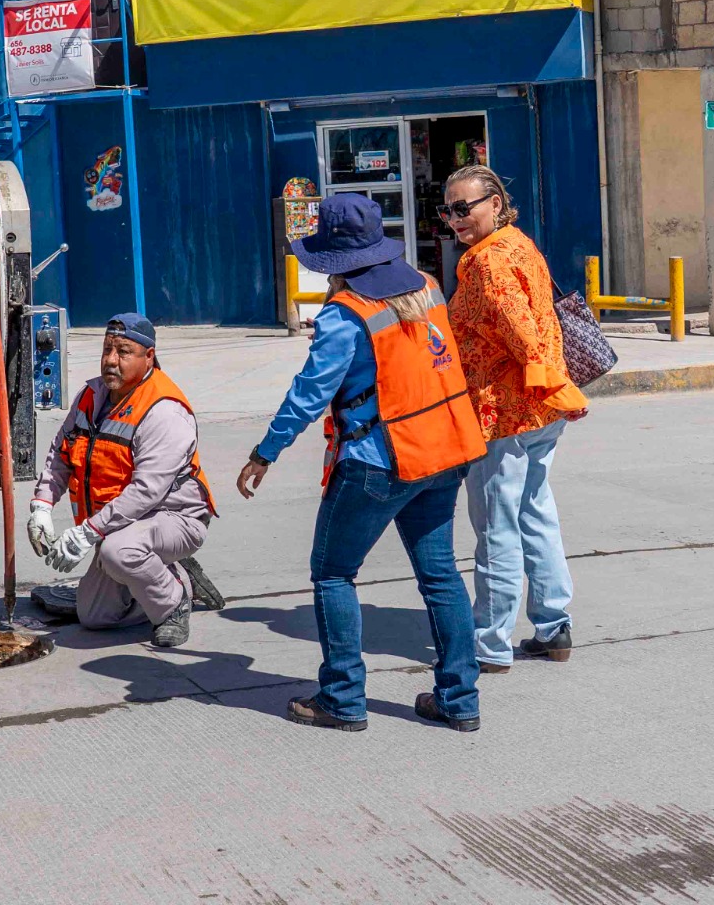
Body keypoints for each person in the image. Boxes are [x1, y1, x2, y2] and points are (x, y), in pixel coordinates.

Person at [236, 194, 486, 733]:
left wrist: (265, 453)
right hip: (443, 451)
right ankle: (460, 699)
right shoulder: (427, 286)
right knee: (440, 576)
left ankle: (343, 698)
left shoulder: (346, 314)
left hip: (378, 462)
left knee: (333, 573)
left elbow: (309, 394)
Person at [441, 165, 588, 673]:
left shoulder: (487, 260)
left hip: (503, 412)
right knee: (535, 512)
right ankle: (553, 626)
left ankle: (490, 641)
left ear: (496, 203)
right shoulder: (519, 244)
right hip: (538, 410)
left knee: (497, 527)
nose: (455, 219)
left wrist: (547, 378)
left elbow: (521, 329)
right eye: (448, 210)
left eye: (464, 208)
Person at [28, 313, 220, 648]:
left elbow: (146, 492)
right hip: (119, 524)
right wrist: (42, 505)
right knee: (94, 616)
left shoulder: (164, 410)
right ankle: (169, 574)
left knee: (119, 552)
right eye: (107, 349)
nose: (111, 360)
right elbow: (61, 452)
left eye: (124, 352)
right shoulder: (91, 396)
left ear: (149, 356)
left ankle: (174, 604)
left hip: (175, 518)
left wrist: (88, 533)